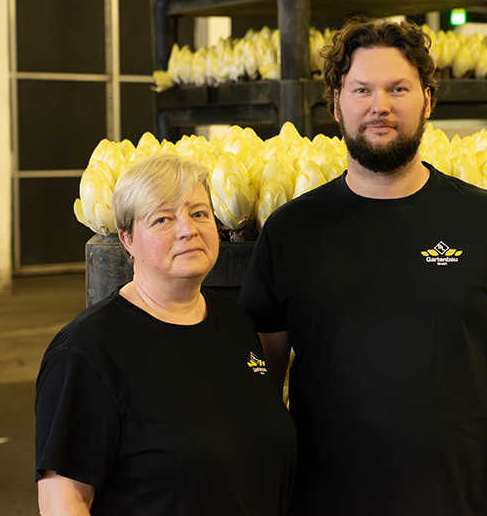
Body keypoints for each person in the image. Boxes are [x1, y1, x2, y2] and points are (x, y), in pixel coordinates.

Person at [238, 17, 487, 516]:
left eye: (398, 88)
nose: (380, 106)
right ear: (335, 105)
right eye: (361, 90)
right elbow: (260, 389)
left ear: (428, 100)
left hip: (462, 503)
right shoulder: (289, 233)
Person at [35, 153, 297, 516]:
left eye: (199, 213)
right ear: (126, 239)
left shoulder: (235, 322)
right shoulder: (86, 351)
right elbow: (64, 501)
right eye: (162, 218)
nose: (187, 229)